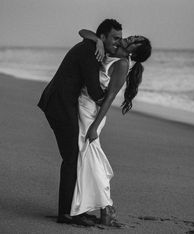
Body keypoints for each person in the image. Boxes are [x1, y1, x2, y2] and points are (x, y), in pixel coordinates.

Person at [37, 19, 123, 226]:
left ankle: (73, 210)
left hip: (62, 103)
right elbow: (94, 91)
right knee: (72, 158)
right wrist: (112, 94)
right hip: (59, 105)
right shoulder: (92, 52)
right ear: (102, 37)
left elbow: (84, 32)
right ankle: (67, 214)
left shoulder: (93, 45)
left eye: (120, 38)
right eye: (115, 38)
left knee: (74, 156)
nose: (118, 42)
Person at [69, 29, 152, 226]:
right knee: (88, 156)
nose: (130, 37)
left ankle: (106, 207)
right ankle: (99, 207)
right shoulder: (112, 52)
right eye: (134, 36)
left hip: (92, 113)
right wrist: (98, 40)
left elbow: (109, 98)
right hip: (84, 105)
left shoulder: (122, 64)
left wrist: (94, 127)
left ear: (134, 52)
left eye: (134, 40)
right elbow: (82, 31)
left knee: (90, 156)